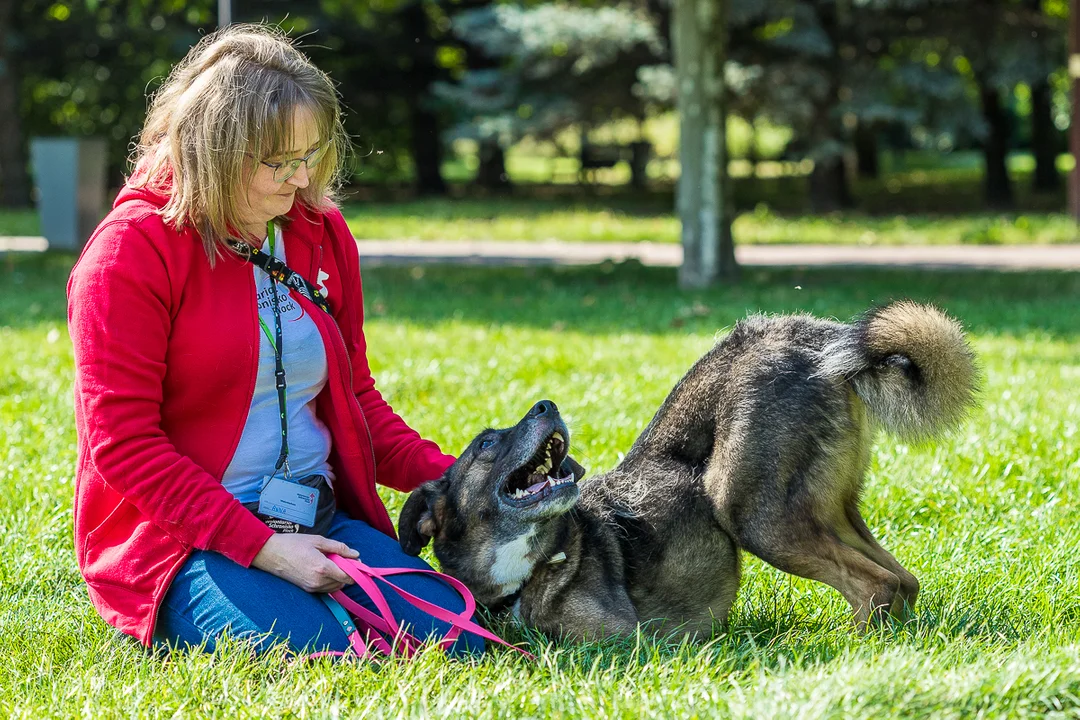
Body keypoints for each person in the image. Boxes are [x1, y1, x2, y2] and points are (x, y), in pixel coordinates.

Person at [67, 23, 482, 657]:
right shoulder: (128, 253)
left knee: (456, 637)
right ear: (213, 150)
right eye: (277, 162)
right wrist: (264, 549)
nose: (300, 179)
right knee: (319, 655)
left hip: (314, 515)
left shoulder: (321, 231)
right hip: (185, 536)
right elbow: (123, 446)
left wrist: (463, 479)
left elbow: (357, 400)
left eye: (311, 155)